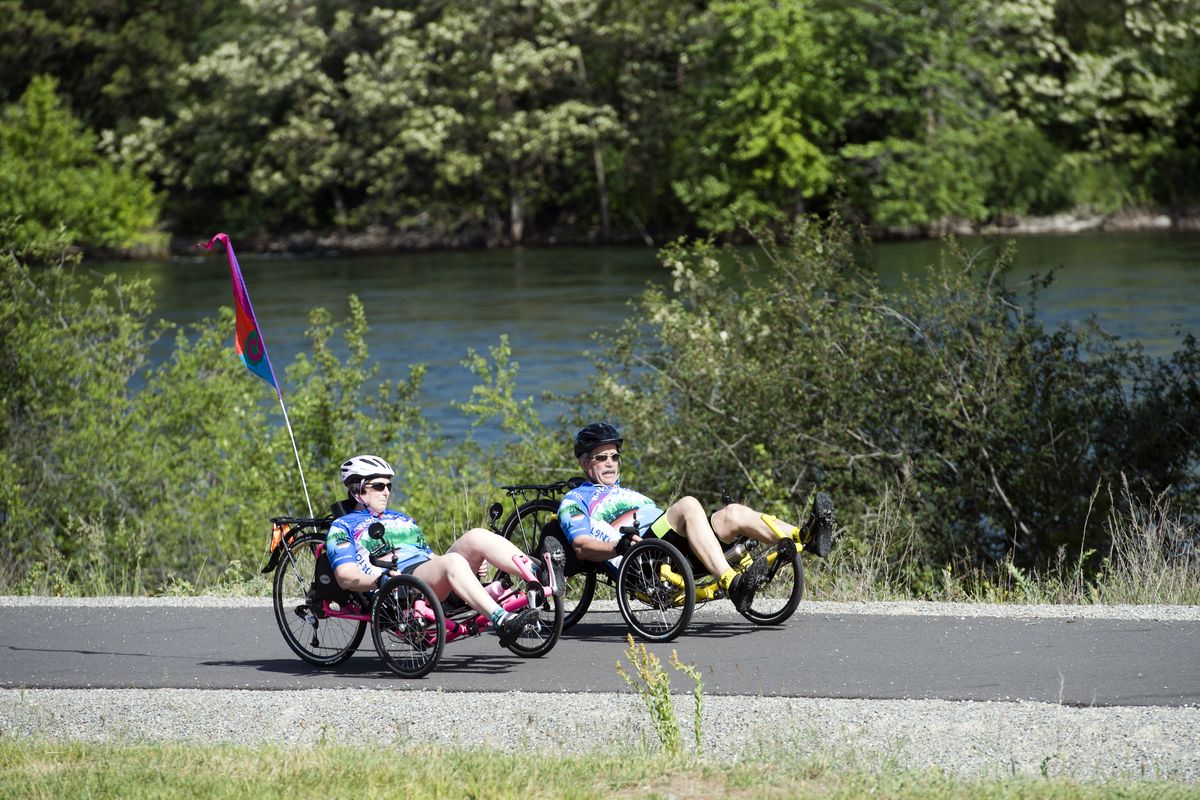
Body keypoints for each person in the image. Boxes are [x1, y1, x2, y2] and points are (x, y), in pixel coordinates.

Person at [557, 423, 834, 611]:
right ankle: (732, 582)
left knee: (732, 513)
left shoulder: (628, 492)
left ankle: (804, 537)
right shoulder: (575, 500)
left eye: (614, 457)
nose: (610, 464)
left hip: (673, 547)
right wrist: (618, 547)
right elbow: (581, 545)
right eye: (601, 458)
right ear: (583, 462)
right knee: (688, 505)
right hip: (641, 555)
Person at [327, 454, 544, 647]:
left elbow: (431, 558)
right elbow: (346, 577)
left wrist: (470, 570)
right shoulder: (343, 526)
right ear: (357, 489)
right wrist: (381, 580)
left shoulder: (400, 518)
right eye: (379, 486)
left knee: (476, 536)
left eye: (389, 486)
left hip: (428, 574)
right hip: (400, 586)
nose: (386, 492)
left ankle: (538, 573)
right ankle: (502, 620)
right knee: (453, 561)